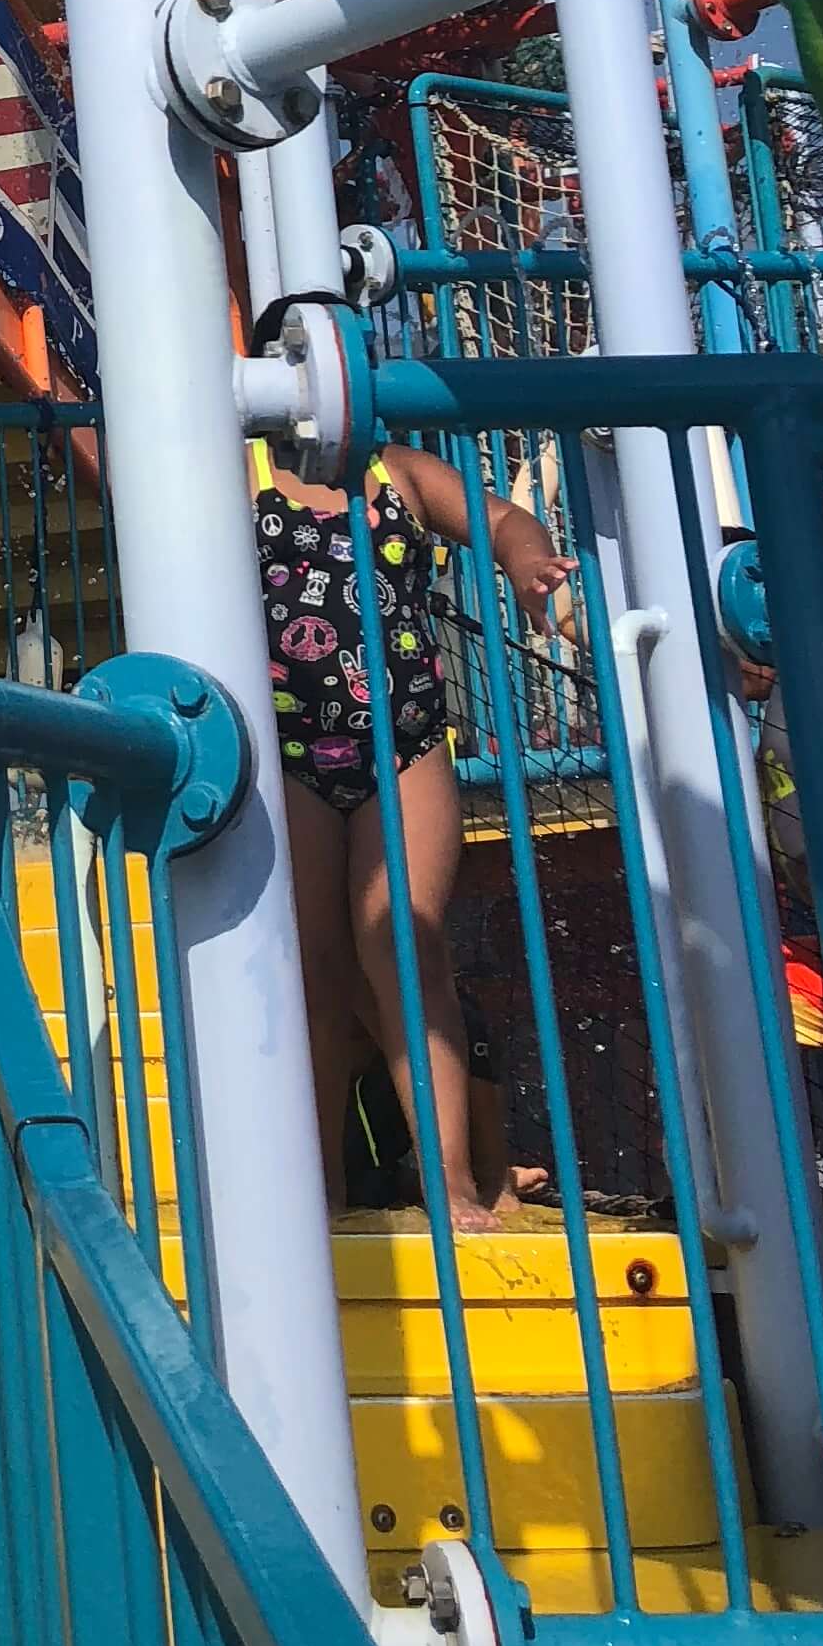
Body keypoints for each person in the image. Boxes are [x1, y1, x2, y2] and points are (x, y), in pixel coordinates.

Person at [248, 298, 571, 1228]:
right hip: (293, 747)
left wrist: (525, 560)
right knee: (312, 969)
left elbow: (502, 517)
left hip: (405, 741)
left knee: (404, 942)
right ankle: (322, 1191)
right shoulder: (245, 474)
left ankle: (451, 1183)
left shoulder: (397, 472)